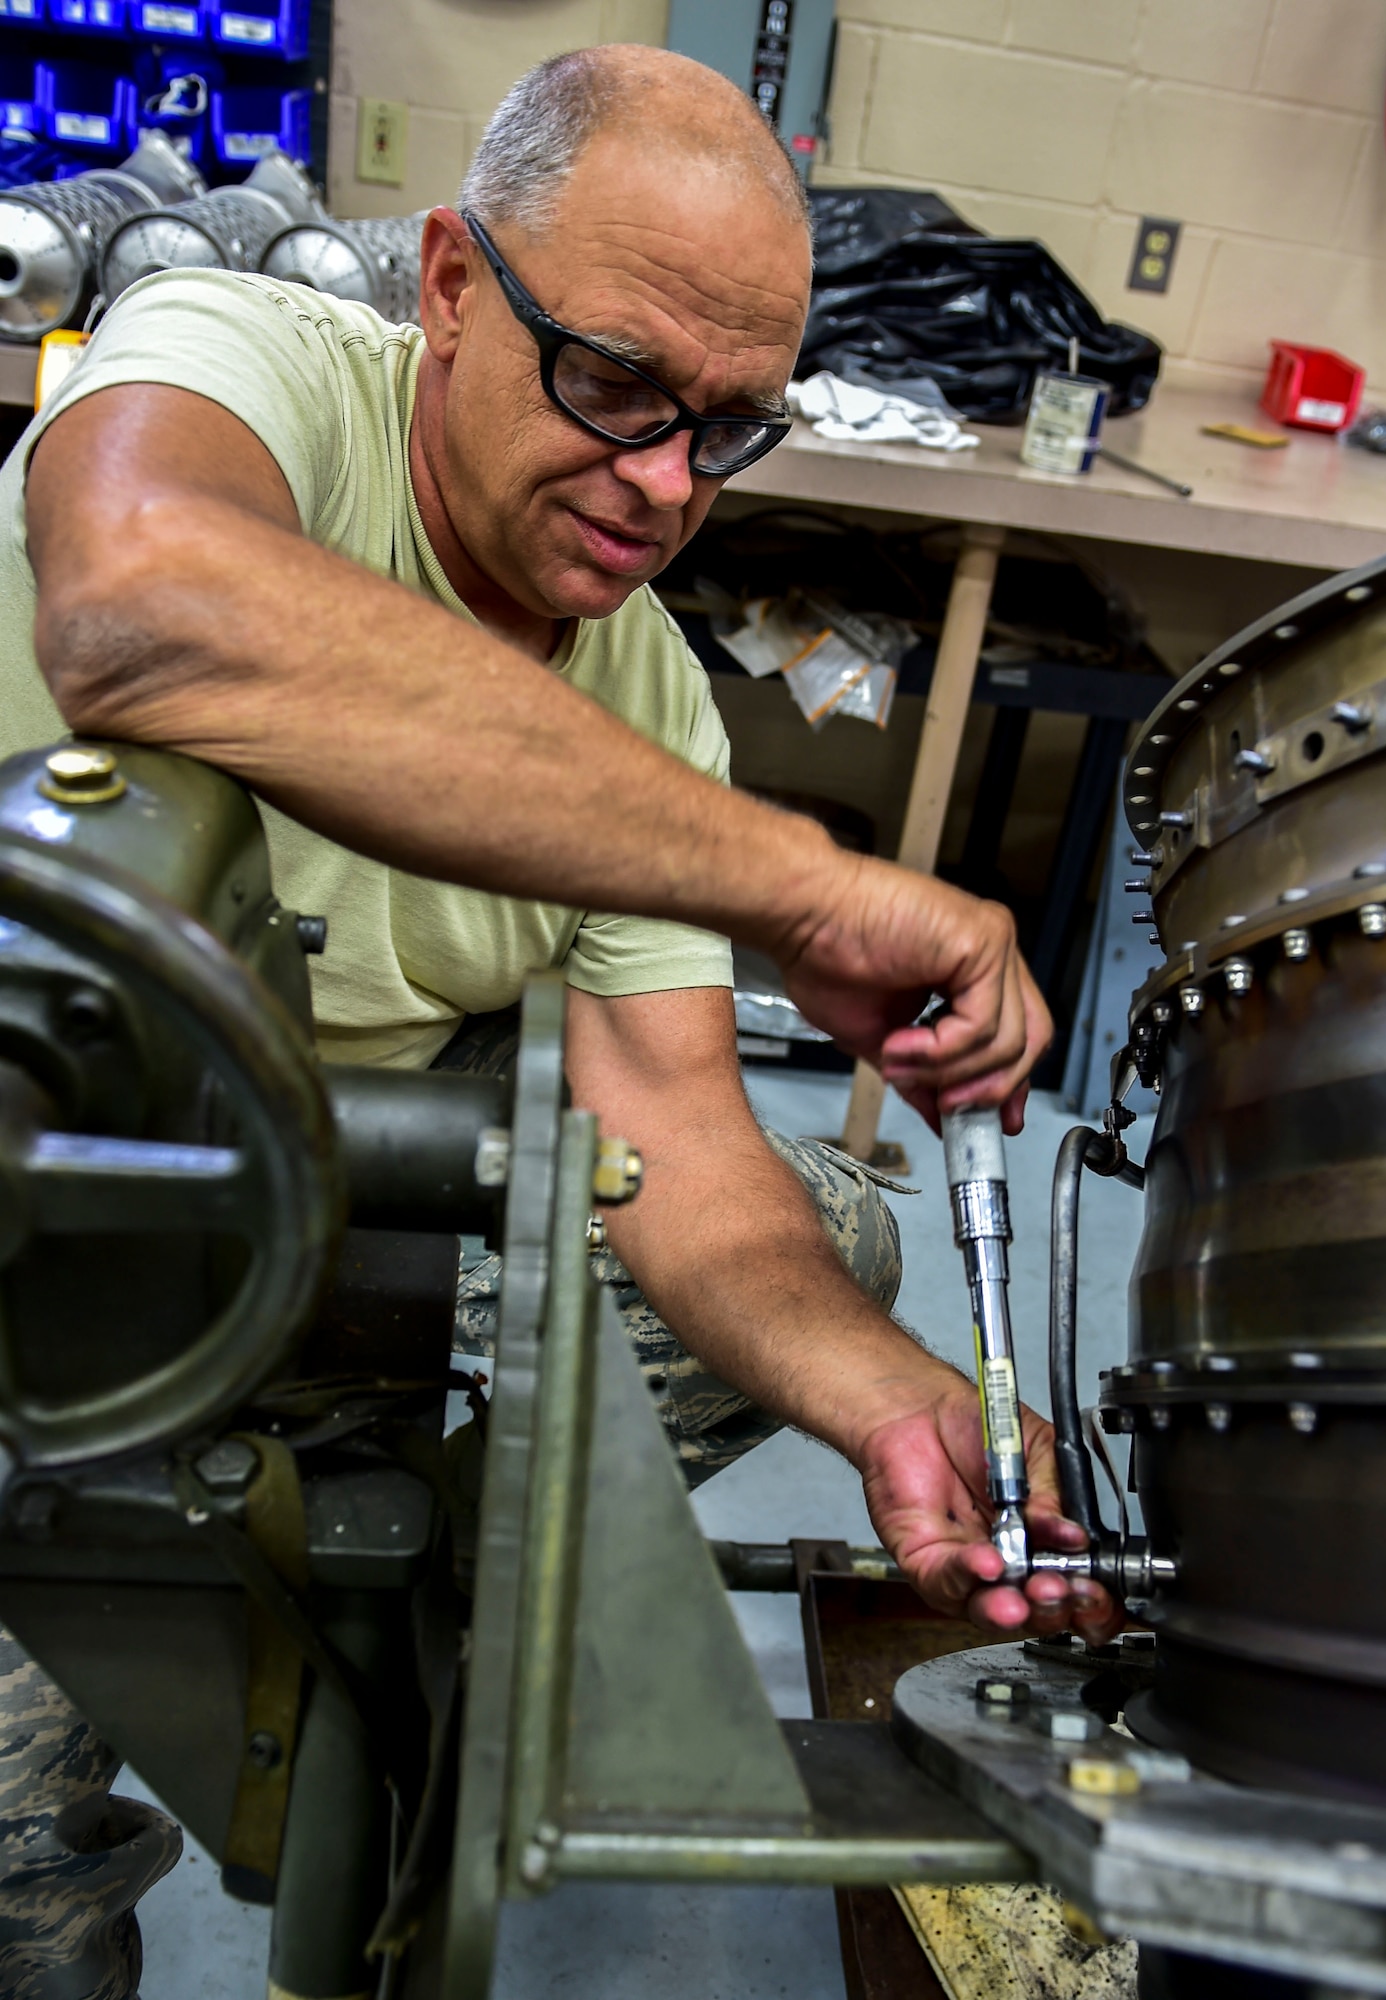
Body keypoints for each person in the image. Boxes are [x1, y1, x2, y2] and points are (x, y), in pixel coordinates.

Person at [0, 45, 1117, 1996]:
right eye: (613, 379)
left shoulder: (648, 692)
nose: (669, 482)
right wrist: (800, 879)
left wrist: (903, 1410)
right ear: (448, 285)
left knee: (828, 1248)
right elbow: (146, 600)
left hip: (318, 1279)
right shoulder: (238, 361)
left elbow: (677, 1145)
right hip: (43, 1264)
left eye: (729, 428)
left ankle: (428, 1616)